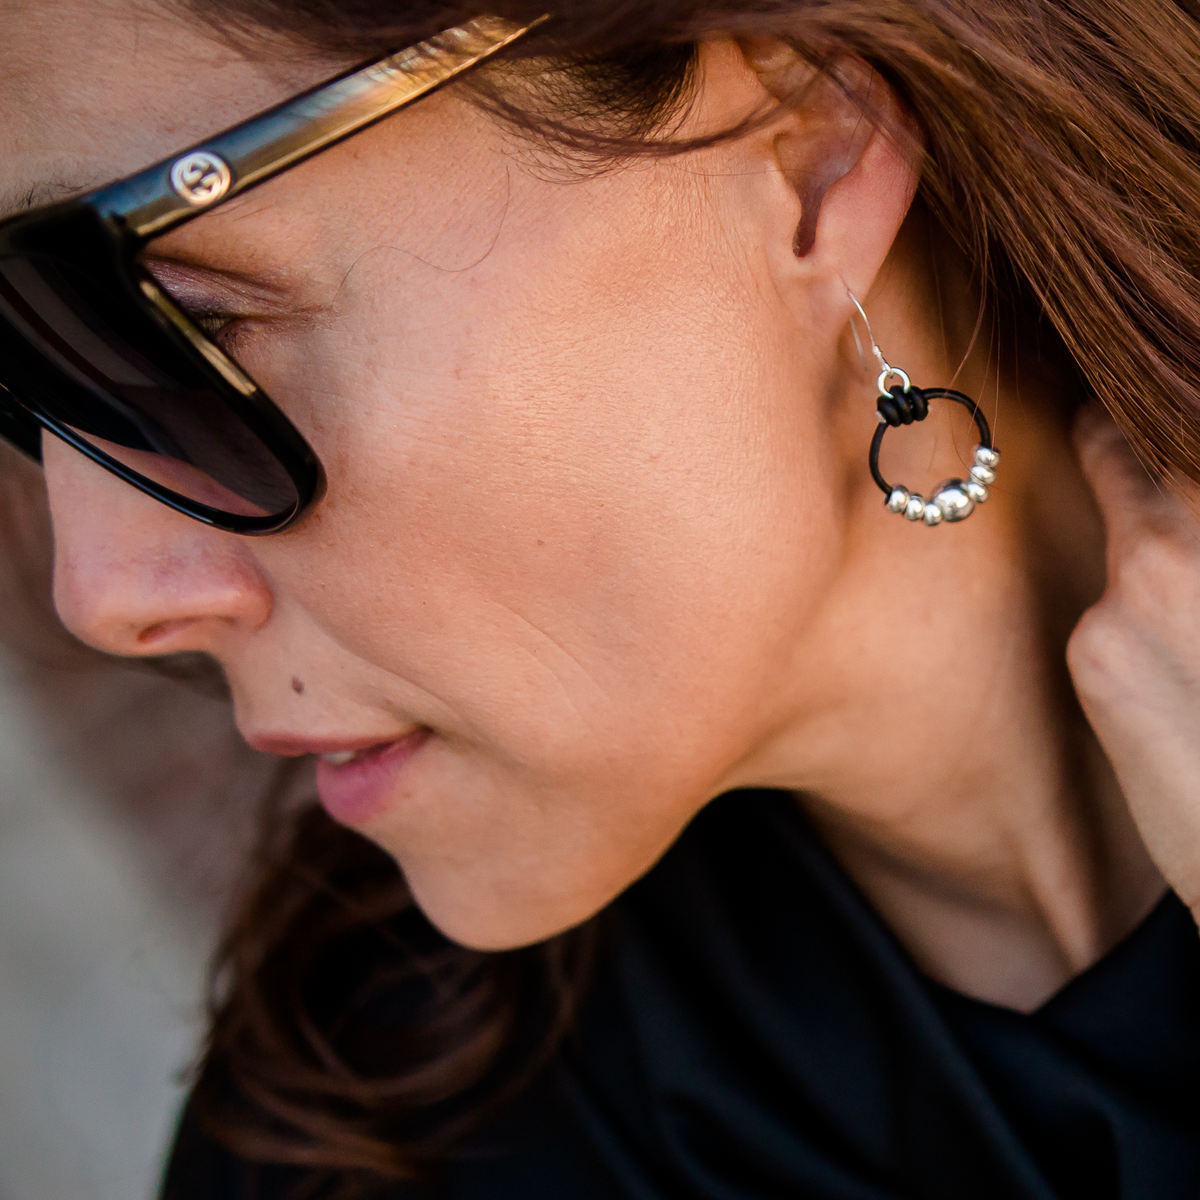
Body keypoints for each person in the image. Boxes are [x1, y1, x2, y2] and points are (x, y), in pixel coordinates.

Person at [3, 0, 1200, 1195]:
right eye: (30, 374)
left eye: (191, 337)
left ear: (808, 155)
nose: (100, 591)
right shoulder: (365, 1155)